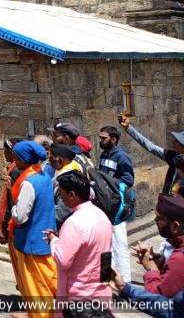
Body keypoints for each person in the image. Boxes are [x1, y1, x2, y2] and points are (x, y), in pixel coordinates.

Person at [45, 171, 112, 306]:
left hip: (78, 294)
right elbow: (106, 256)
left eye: (61, 192)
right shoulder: (102, 216)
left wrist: (53, 240)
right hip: (100, 291)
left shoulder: (73, 223)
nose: (60, 196)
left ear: (72, 195)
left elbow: (63, 261)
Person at [8, 140, 57, 318]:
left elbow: (20, 216)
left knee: (36, 289)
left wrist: (14, 207)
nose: (14, 159)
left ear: (22, 159)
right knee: (47, 285)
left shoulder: (28, 183)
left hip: (31, 242)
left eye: (16, 156)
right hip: (45, 239)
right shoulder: (43, 176)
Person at [126, 194, 184, 298]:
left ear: (175, 226)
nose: (155, 221)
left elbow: (158, 301)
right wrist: (162, 262)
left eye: (159, 218)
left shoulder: (180, 258)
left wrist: (151, 269)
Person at [99, 124, 135, 283]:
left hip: (117, 206)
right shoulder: (103, 154)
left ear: (113, 139)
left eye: (103, 138)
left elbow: (129, 180)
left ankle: (125, 281)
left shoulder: (121, 156)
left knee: (120, 243)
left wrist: (111, 185)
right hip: (105, 204)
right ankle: (108, 276)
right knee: (106, 243)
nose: (100, 140)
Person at [119, 115, 184, 196]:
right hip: (171, 201)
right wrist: (128, 128)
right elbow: (150, 146)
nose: (174, 142)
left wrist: (179, 190)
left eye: (178, 141)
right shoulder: (172, 156)